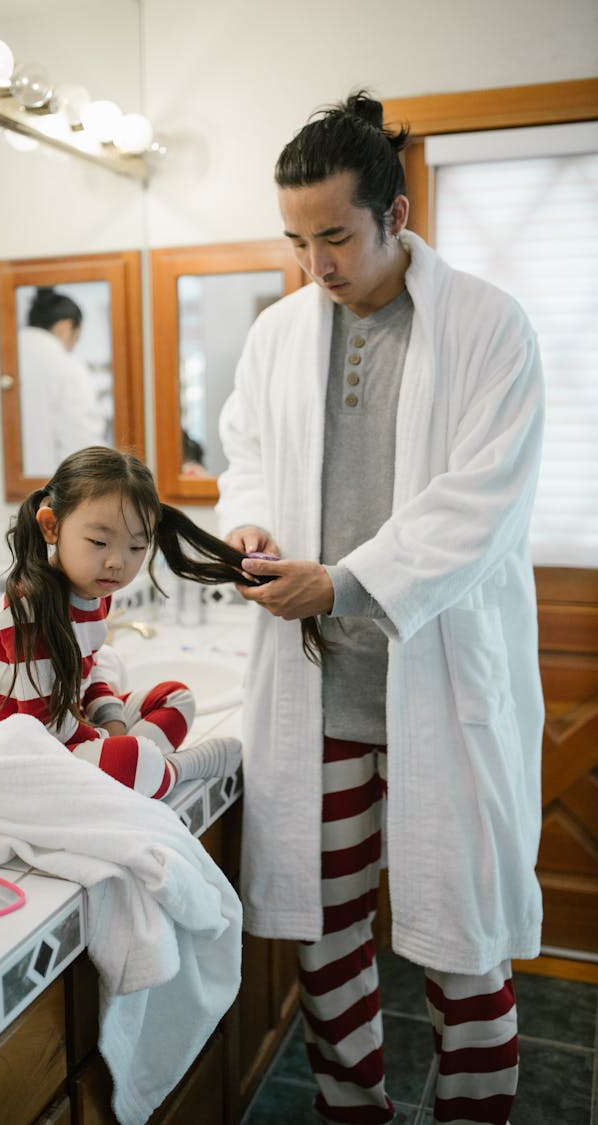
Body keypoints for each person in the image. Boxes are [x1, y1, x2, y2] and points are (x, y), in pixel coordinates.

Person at [216, 91, 545, 1125]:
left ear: (396, 216)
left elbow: (481, 507)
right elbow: (246, 457)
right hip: (321, 694)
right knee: (326, 932)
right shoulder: (276, 335)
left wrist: (347, 582)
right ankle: (352, 1111)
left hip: (439, 682)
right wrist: (250, 529)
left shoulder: (488, 326)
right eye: (297, 239)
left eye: (337, 236)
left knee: (466, 937)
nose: (317, 262)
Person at [0, 445, 260, 798]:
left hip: (63, 723)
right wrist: (113, 742)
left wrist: (112, 721)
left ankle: (143, 768)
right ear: (51, 527)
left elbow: (88, 673)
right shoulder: (28, 612)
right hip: (11, 750)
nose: (117, 562)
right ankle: (175, 769)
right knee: (130, 757)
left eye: (137, 547)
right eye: (100, 542)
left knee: (176, 697)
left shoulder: (95, 593)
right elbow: (46, 727)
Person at [18, 287, 111, 477]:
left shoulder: (2, 359)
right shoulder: (67, 366)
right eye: (76, 339)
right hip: (54, 491)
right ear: (66, 327)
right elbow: (83, 444)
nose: (73, 347)